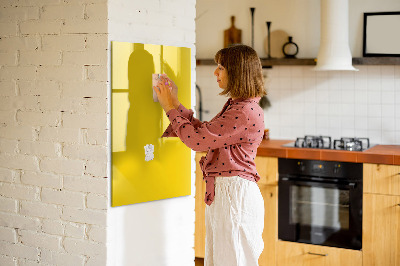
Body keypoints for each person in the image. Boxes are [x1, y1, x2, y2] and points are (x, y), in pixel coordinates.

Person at [153, 44, 266, 266]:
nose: (215, 72)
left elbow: (197, 141)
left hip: (234, 195)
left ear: (237, 71)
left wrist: (169, 107)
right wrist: (175, 103)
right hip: (228, 193)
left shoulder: (243, 111)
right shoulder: (239, 106)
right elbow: (205, 133)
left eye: (221, 67)